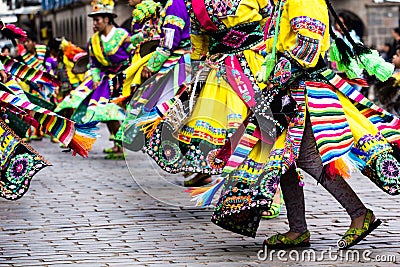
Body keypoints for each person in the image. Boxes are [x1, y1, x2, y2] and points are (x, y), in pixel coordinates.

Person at [212, 0, 400, 250]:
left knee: (305, 158)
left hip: (302, 91)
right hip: (290, 88)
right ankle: (300, 228)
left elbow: (308, 48)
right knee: (283, 160)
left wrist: (275, 80)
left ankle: (356, 214)